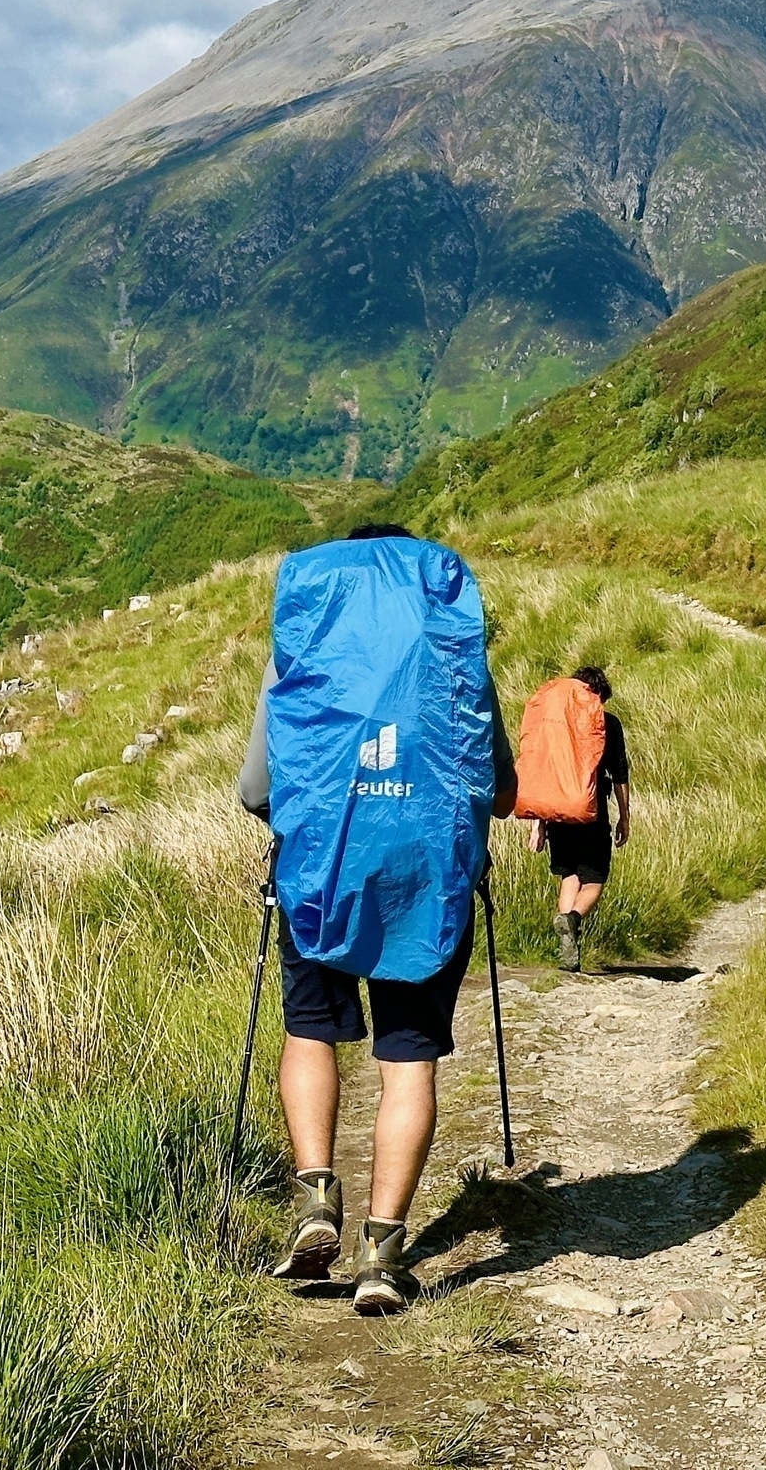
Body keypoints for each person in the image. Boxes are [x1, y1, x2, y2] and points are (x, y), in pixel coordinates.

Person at [237, 523, 516, 1315]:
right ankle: (382, 1255)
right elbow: (496, 788)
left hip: (322, 870)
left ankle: (316, 1197)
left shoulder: (305, 647)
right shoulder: (453, 650)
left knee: (310, 1030)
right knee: (408, 1061)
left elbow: (257, 789)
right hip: (427, 877)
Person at [527, 666, 630, 972]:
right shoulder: (608, 724)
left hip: (558, 813)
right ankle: (571, 920)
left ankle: (566, 948)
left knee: (569, 875)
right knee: (595, 879)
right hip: (591, 812)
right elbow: (619, 772)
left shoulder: (556, 727)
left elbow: (542, 771)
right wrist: (625, 817)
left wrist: (539, 824)